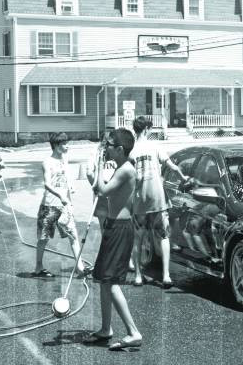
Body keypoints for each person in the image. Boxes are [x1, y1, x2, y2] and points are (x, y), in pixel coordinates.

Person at [84, 128, 142, 350]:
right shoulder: (122, 166)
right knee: (104, 280)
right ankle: (106, 328)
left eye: (108, 145)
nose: (104, 147)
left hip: (120, 229)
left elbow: (101, 190)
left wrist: (98, 164)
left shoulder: (125, 170)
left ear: (119, 149)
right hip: (114, 227)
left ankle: (133, 332)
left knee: (112, 282)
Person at [131, 116, 193, 288]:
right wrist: (183, 177)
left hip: (140, 200)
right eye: (149, 129)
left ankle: (138, 276)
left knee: (138, 238)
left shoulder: (132, 150)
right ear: (145, 129)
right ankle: (166, 276)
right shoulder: (154, 146)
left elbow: (129, 176)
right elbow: (172, 165)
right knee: (164, 236)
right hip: (157, 199)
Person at [33, 132, 86, 278]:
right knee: (43, 238)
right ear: (56, 146)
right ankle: (38, 267)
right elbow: (47, 184)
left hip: (65, 207)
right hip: (49, 206)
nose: (67, 146)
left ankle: (80, 267)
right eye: (64, 144)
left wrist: (71, 188)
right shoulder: (47, 162)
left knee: (73, 236)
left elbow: (67, 178)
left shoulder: (65, 160)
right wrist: (60, 195)